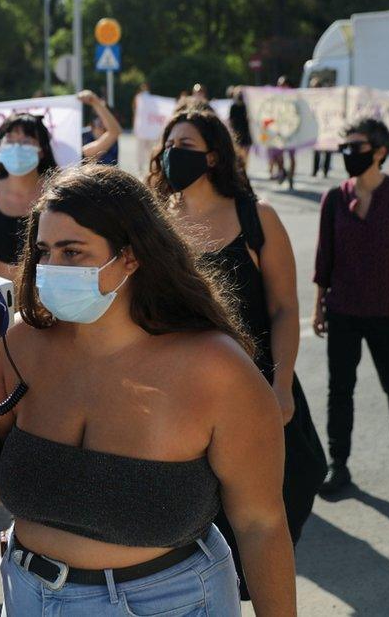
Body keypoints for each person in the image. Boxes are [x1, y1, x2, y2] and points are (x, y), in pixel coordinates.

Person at [0, 164, 297, 616]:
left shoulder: (217, 369)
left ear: (131, 257)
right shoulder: (19, 345)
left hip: (169, 603)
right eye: (44, 251)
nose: (51, 267)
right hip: (28, 596)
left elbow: (261, 524)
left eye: (73, 252)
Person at [148, 106, 326, 600]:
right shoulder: (156, 225)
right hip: (186, 395)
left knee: (281, 494)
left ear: (214, 156)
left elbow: (285, 309)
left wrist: (282, 383)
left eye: (185, 147)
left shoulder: (256, 216)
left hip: (257, 385)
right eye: (168, 145)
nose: (172, 156)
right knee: (205, 516)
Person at [313, 117, 389, 496]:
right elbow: (324, 259)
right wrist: (319, 306)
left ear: (380, 152)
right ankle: (339, 464)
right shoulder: (334, 198)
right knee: (340, 389)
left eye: (357, 146)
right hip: (344, 309)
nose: (348, 153)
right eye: (345, 146)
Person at [0, 112, 58, 279]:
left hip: (52, 301)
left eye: (26, 141)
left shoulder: (59, 192)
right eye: (10, 140)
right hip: (2, 302)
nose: (17, 148)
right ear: (0, 147)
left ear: (42, 150)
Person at [79, 89, 122, 165]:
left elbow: (115, 131)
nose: (100, 119)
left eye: (103, 115)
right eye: (97, 115)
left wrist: (95, 102)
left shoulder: (113, 139)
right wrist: (94, 102)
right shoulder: (83, 136)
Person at [309, 77, 333, 179]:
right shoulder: (311, 99)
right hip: (316, 128)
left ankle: (325, 170)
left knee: (327, 149)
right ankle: (315, 170)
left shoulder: (326, 99)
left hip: (326, 127)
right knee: (316, 150)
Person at [228, 87, 253, 171]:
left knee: (246, 152)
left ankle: (245, 168)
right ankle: (242, 167)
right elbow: (231, 120)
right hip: (237, 133)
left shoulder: (247, 106)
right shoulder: (233, 107)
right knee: (240, 152)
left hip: (246, 133)